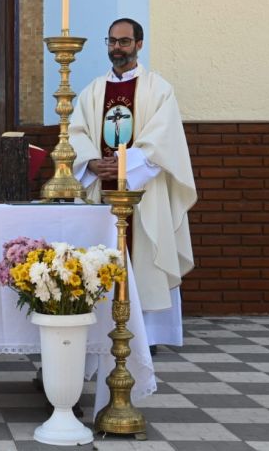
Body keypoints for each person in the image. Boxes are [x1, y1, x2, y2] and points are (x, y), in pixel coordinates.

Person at [69, 17, 196, 348]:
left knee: (144, 256)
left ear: (139, 44)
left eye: (124, 42)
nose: (117, 48)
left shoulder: (158, 89)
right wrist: (93, 163)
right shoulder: (94, 91)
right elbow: (77, 132)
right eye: (111, 41)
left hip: (144, 191)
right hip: (102, 189)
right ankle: (101, 331)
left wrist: (126, 167)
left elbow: (163, 138)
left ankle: (147, 336)